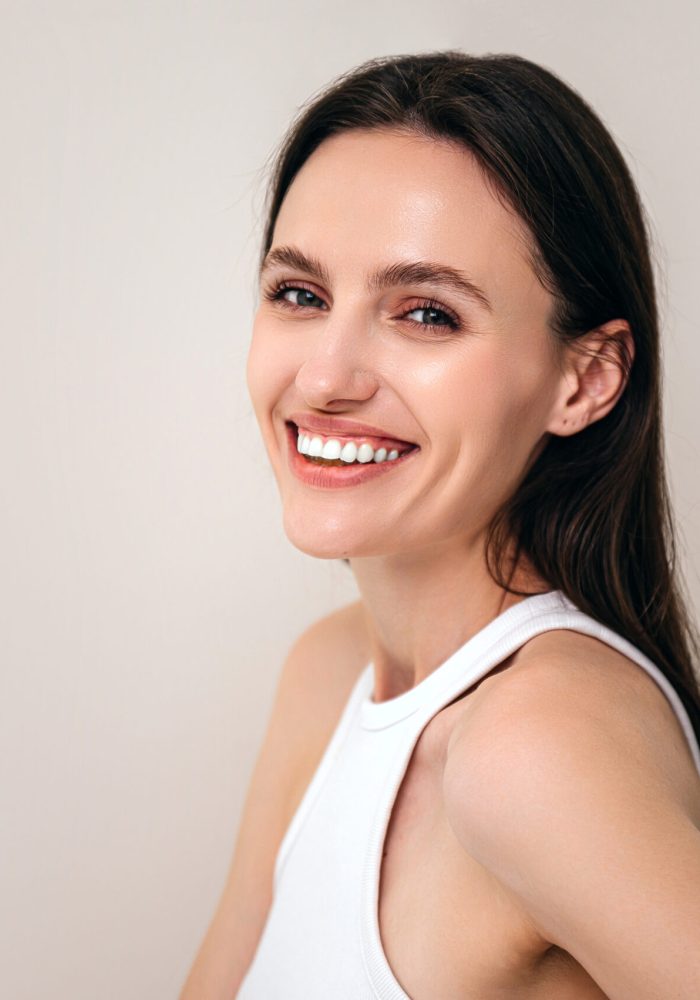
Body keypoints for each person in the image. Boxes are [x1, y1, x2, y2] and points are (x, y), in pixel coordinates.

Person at [179, 51, 700, 999]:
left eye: (426, 313)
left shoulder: (532, 747)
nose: (328, 378)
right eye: (300, 294)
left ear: (585, 379)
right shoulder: (328, 669)